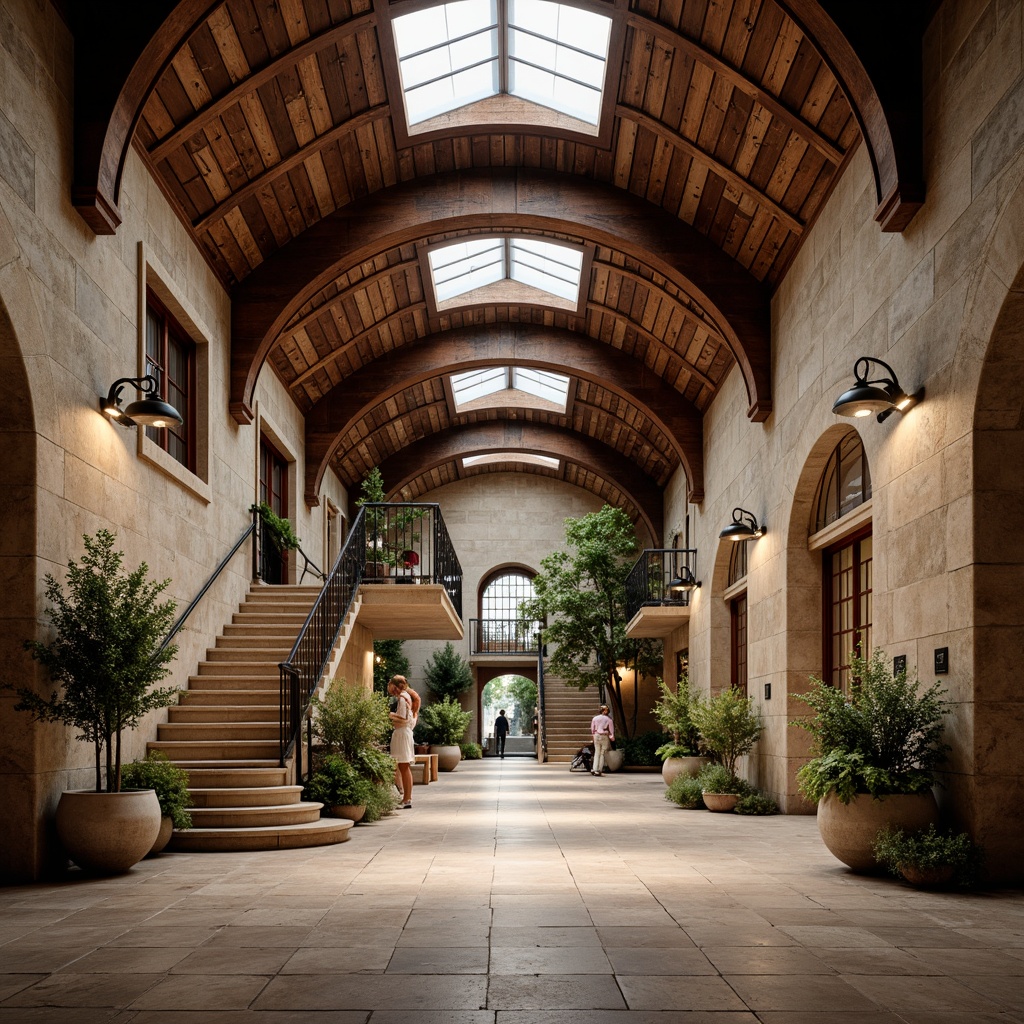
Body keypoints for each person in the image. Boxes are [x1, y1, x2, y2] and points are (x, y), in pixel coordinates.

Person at [388, 675, 415, 808]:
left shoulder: (403, 698)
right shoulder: (405, 696)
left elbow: (403, 718)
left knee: (404, 767)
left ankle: (407, 798)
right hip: (403, 733)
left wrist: (390, 715)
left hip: (402, 733)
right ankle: (406, 797)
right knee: (403, 767)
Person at [590, 703, 615, 776]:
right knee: (602, 753)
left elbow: (592, 729)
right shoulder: (609, 719)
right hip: (604, 735)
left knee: (597, 752)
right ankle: (599, 770)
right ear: (606, 711)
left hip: (596, 735)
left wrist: (593, 736)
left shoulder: (594, 718)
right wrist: (612, 737)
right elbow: (611, 731)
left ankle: (594, 768)